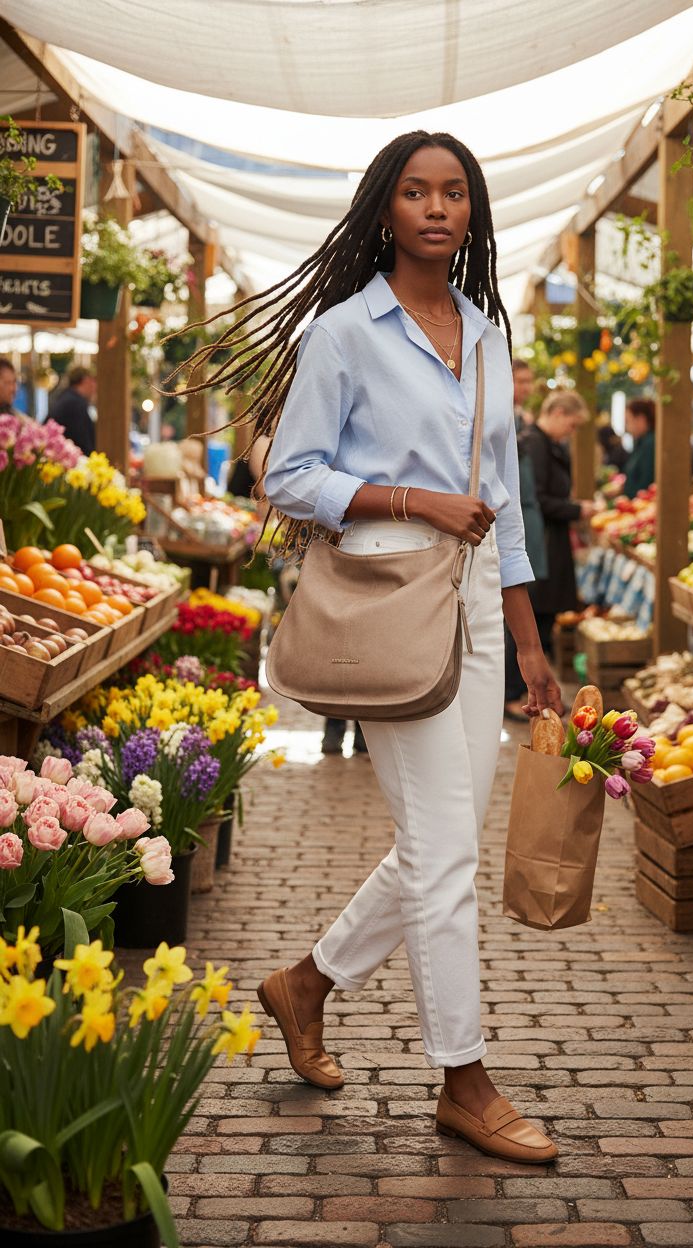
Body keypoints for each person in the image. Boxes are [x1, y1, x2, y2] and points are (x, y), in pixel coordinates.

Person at [178, 131, 563, 1163]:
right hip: (388, 603)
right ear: (384, 210)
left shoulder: (487, 336)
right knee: (443, 858)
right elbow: (289, 477)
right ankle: (464, 1079)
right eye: (414, 192)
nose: (436, 208)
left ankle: (303, 985)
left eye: (453, 193)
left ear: (472, 213)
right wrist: (410, 499)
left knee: (440, 846)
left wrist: (531, 646)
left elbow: (509, 510)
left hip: (480, 606)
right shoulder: (344, 334)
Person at [521, 390, 597, 653]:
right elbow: (538, 497)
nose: (571, 432)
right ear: (558, 413)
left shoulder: (546, 443)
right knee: (538, 615)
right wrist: (575, 509)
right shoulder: (535, 444)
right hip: (541, 543)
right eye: (572, 424)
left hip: (550, 539)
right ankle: (520, 687)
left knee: (545, 614)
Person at [504, 359, 547, 721]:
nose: (528, 387)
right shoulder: (504, 419)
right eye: (522, 380)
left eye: (531, 381)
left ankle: (514, 690)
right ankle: (509, 693)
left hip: (522, 524)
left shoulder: (522, 423)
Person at [50, 366, 96, 455]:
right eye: (93, 381)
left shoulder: (67, 397)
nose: (94, 387)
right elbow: (83, 441)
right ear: (85, 381)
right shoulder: (75, 403)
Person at [621, 398, 656, 498]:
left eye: (628, 421)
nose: (627, 427)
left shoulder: (650, 443)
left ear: (641, 419)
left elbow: (646, 482)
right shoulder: (641, 442)